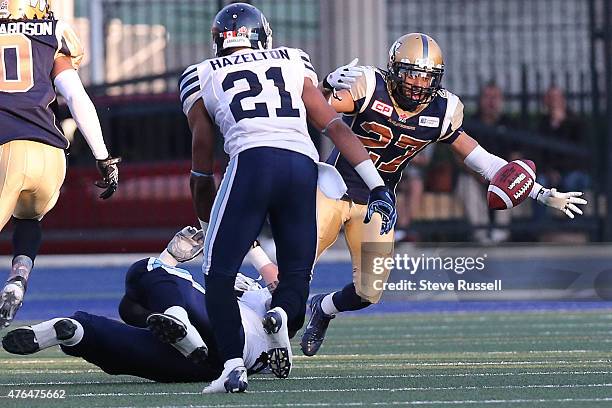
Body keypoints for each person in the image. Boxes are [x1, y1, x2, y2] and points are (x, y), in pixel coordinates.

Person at [255, 33, 586, 357]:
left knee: (368, 292)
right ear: (394, 69)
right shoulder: (370, 86)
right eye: (411, 74)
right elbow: (317, 107)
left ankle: (323, 308)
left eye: (426, 77)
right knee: (292, 273)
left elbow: (482, 159)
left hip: (377, 203)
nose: (418, 84)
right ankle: (264, 342)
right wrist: (327, 83)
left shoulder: (442, 110)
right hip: (332, 190)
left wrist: (540, 192)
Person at [181, 3, 397, 393]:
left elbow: (202, 157)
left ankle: (232, 365)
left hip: (251, 161)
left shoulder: (201, 74)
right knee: (297, 276)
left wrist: (204, 217)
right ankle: (281, 313)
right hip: (302, 165)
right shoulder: (293, 60)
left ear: (220, 42)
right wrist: (377, 184)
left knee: (218, 273)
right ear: (262, 36)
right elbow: (332, 123)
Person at [1, 227, 279, 383]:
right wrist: (172, 259)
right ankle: (76, 332)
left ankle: (177, 319)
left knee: (143, 270)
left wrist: (168, 259)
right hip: (207, 365)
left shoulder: (264, 298)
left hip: (229, 337)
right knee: (127, 327)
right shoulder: (254, 301)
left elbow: (282, 292)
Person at [0, 0, 121, 327]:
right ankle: (18, 278)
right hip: (51, 156)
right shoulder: (51, 35)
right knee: (29, 218)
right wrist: (103, 157)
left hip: (5, 149)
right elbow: (77, 97)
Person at [457, 82, 519, 243]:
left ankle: (501, 232)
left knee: (513, 181)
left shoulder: (509, 124)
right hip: (475, 175)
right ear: (480, 100)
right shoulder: (470, 123)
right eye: (487, 97)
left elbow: (516, 156)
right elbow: (460, 155)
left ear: (501, 100)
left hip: (502, 176)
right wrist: (478, 174)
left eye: (495, 97)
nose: (491, 102)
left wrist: (503, 175)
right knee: (465, 184)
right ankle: (482, 234)